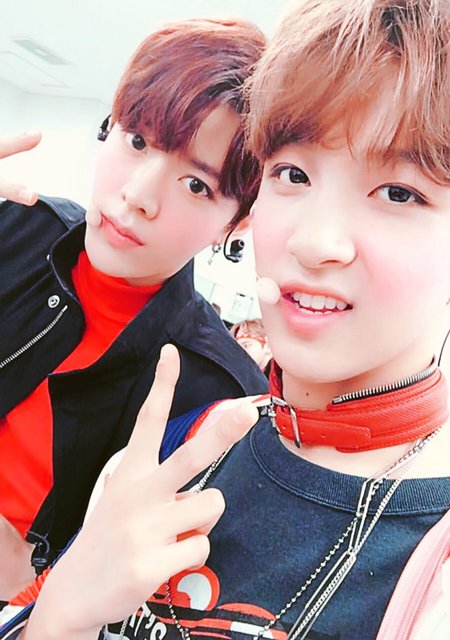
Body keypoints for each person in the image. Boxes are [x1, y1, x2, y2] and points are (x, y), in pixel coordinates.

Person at [3, 0, 450, 638]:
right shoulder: (176, 446)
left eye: (400, 193)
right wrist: (59, 617)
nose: (315, 242)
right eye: (293, 173)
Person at [0, 18, 268, 601]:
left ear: (238, 221)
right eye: (137, 141)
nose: (139, 196)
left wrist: (34, 588)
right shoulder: (15, 225)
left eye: (196, 185)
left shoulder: (220, 394)